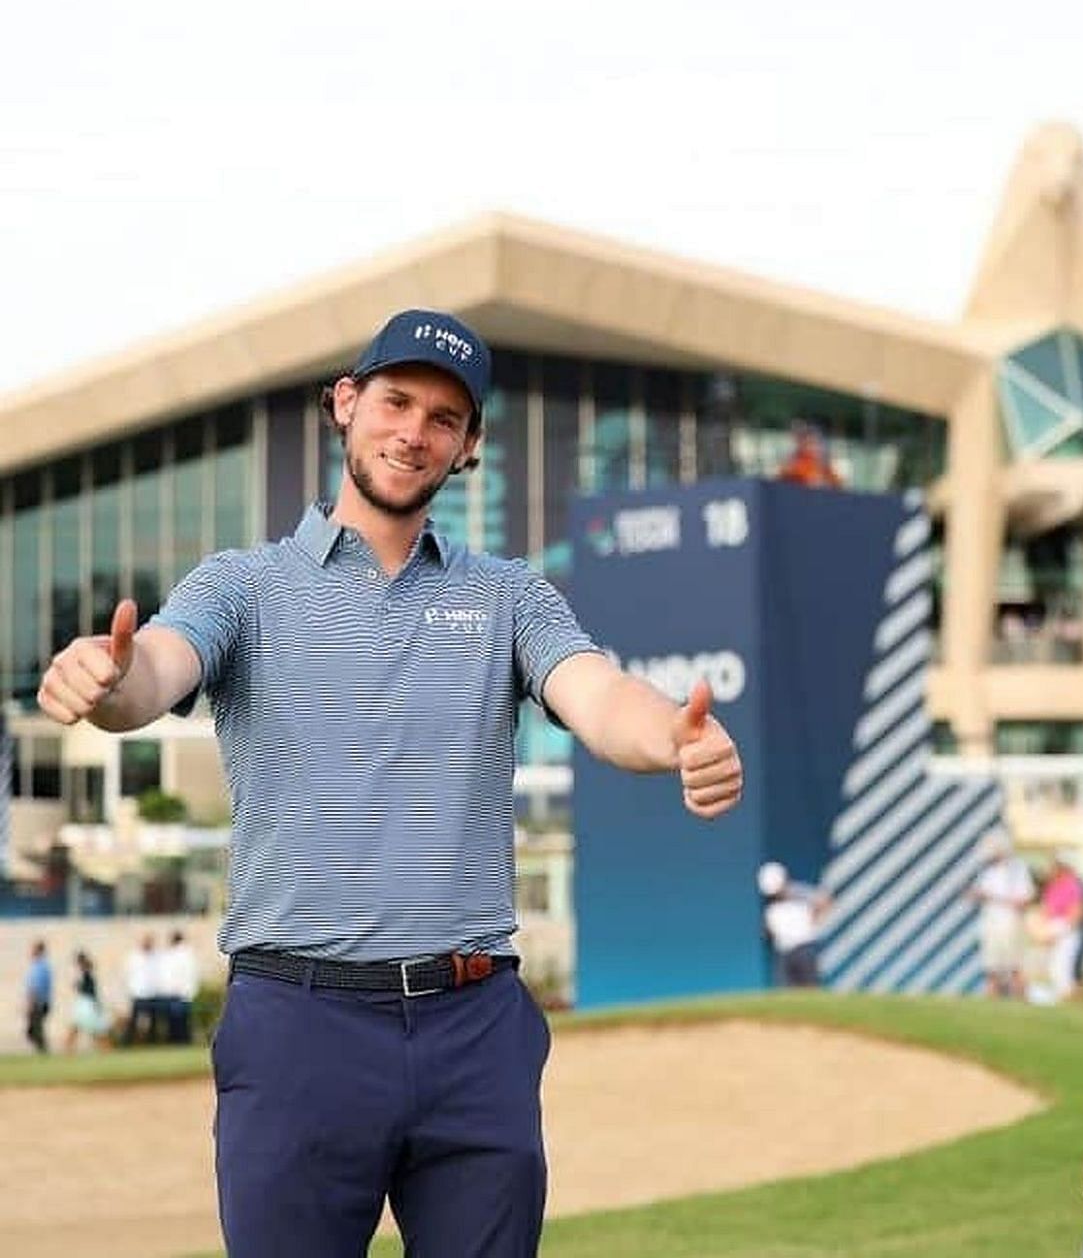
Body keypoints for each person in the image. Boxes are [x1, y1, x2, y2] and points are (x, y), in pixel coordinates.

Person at [34, 309, 743, 1257]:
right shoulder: (242, 585)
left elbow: (600, 696)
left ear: (468, 447)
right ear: (345, 404)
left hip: (473, 1027)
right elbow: (157, 668)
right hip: (298, 1026)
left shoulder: (509, 596)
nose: (414, 430)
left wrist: (673, 737)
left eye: (444, 418)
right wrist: (109, 681)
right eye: (397, 401)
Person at [971, 832, 1035, 999]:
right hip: (990, 922)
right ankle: (992, 999)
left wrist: (994, 898)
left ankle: (1021, 1000)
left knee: (1015, 967)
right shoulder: (987, 872)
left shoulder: (1017, 870)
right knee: (991, 967)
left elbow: (1025, 899)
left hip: (1010, 923)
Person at [758, 861, 831, 988]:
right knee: (786, 990)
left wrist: (814, 922)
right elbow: (768, 928)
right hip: (784, 951)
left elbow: (824, 901)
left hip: (804, 948)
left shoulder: (799, 892)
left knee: (810, 989)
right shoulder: (770, 904)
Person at [1033, 853, 1083, 1005]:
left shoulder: (1073, 885)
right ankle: (1067, 1000)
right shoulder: (1052, 886)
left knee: (1063, 969)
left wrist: (1058, 932)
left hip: (1068, 933)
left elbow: (1076, 914)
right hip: (1053, 931)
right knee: (1054, 970)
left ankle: (1075, 1000)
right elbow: (1046, 910)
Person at [64, 950, 111, 1053]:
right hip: (84, 1003)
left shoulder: (87, 975)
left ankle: (106, 1049)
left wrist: (77, 986)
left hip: (86, 1004)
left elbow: (88, 991)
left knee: (94, 1028)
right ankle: (68, 1049)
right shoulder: (85, 975)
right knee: (78, 1027)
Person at [159, 929, 199, 1044]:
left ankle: (180, 1040)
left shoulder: (180, 953)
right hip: (183, 991)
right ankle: (181, 1040)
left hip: (179, 991)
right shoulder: (186, 953)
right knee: (181, 1019)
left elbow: (177, 973)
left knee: (178, 1019)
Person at [121, 932, 161, 1046]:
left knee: (153, 1020)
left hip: (152, 993)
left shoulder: (155, 956)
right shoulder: (134, 957)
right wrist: (130, 990)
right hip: (138, 993)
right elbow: (128, 974)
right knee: (134, 1020)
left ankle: (152, 1042)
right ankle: (128, 1042)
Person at [23, 940, 52, 1055]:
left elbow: (36, 987)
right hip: (39, 1001)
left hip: (38, 1002)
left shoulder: (41, 966)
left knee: (35, 1030)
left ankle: (43, 1051)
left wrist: (31, 1003)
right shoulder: (38, 965)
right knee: (35, 1030)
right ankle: (42, 1051)